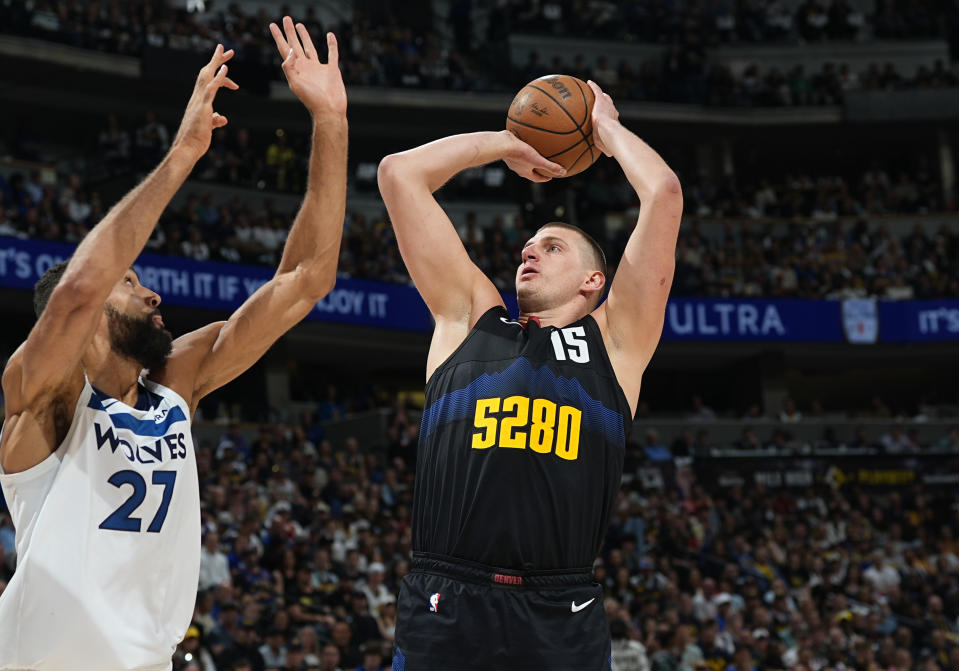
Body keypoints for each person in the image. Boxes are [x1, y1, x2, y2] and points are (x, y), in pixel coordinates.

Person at [0, 17, 347, 671]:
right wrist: (182, 156)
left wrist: (331, 121)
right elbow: (79, 289)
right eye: (131, 284)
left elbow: (306, 281)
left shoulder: (174, 387)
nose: (154, 296)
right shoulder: (43, 397)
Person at [378, 80, 682, 670]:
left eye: (552, 247)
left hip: (558, 608)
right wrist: (505, 143)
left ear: (594, 283)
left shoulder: (616, 341)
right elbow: (398, 175)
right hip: (446, 596)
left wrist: (607, 131)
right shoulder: (469, 318)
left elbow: (663, 193)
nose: (529, 251)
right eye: (528, 245)